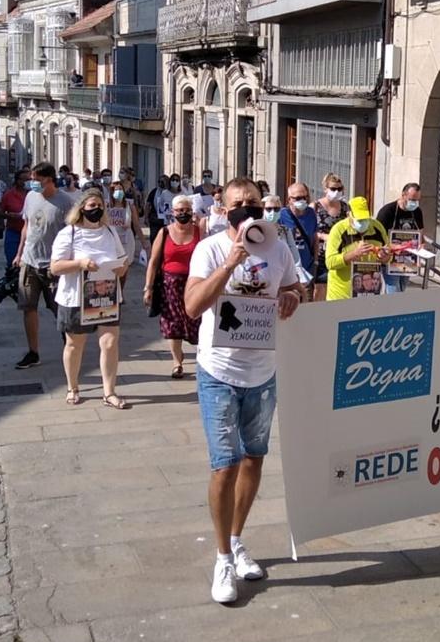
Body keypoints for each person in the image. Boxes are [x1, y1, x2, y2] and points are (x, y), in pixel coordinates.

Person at [184, 177, 304, 603]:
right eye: (239, 204)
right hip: (218, 371)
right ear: (223, 208)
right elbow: (193, 305)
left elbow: (294, 288)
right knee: (224, 466)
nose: (247, 210)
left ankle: (236, 541)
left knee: (254, 459)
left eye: (254, 203)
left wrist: (293, 297)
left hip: (263, 372)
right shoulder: (211, 248)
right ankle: (220, 559)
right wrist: (230, 263)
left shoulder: (278, 247)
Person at [49, 189, 130, 409]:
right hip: (76, 298)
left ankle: (109, 391)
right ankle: (72, 387)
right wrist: (80, 264)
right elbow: (55, 267)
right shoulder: (69, 233)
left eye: (99, 206)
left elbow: (122, 261)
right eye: (91, 206)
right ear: (81, 208)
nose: (96, 210)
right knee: (75, 344)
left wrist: (120, 268)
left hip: (106, 295)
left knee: (110, 342)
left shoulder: (110, 232)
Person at [12, 162, 75, 370]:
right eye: (32, 179)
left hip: (53, 265)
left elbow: (73, 235)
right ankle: (33, 352)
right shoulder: (30, 197)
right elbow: (27, 226)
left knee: (59, 309)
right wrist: (19, 253)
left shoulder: (65, 202)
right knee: (28, 307)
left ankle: (70, 347)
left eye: (37, 180)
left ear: (49, 180)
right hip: (29, 261)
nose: (33, 183)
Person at [144, 194, 202, 378]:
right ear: (172, 212)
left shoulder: (200, 231)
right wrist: (148, 287)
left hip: (194, 282)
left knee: (197, 322)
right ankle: (177, 362)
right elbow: (153, 261)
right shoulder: (165, 232)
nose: (183, 213)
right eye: (179, 210)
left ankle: (202, 359)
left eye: (187, 210)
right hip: (170, 285)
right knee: (173, 324)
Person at [324, 196, 391, 301]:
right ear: (348, 215)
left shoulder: (377, 227)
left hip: (369, 295)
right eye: (359, 220)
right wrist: (354, 254)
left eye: (366, 219)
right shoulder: (338, 230)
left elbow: (388, 257)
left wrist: (383, 256)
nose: (363, 222)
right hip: (341, 296)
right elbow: (330, 263)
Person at [376, 183, 425, 293]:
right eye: (412, 199)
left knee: (402, 289)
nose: (415, 203)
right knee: (394, 291)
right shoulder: (387, 211)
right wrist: (393, 247)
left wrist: (421, 247)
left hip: (408, 260)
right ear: (403, 195)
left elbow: (420, 234)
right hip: (390, 259)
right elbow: (377, 237)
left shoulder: (417, 211)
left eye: (417, 200)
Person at [312, 174, 348, 301]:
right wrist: (324, 236)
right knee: (320, 289)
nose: (336, 192)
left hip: (339, 254)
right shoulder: (315, 207)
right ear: (325, 189)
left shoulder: (345, 208)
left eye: (339, 189)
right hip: (321, 254)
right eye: (333, 189)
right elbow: (309, 231)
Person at [282, 182, 319, 297]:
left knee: (305, 306)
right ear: (289, 200)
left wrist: (316, 262)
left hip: (306, 270)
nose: (302, 200)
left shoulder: (311, 214)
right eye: (298, 198)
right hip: (287, 271)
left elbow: (314, 237)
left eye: (305, 197)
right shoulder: (281, 215)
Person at [106, 179, 145, 282]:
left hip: (126, 241)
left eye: (120, 190)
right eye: (116, 190)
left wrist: (144, 243)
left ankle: (121, 294)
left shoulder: (129, 206)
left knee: (124, 270)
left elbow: (136, 225)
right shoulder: (107, 206)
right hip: (111, 240)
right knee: (112, 270)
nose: (119, 192)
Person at [0, 167, 30, 267]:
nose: (26, 182)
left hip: (30, 233)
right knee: (12, 260)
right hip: (13, 231)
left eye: (29, 180)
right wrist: (9, 215)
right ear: (17, 181)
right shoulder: (9, 195)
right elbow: (1, 212)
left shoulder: (34, 194)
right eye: (24, 180)